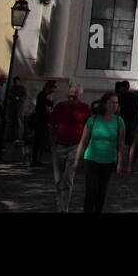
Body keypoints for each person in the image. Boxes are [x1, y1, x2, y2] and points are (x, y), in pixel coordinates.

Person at [74, 91, 125, 213]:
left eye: (116, 103)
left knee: (102, 191)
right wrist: (77, 160)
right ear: (104, 104)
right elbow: (83, 141)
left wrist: (119, 162)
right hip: (91, 159)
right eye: (111, 102)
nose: (114, 105)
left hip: (108, 160)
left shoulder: (119, 121)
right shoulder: (93, 119)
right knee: (91, 190)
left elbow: (121, 144)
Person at [49, 83, 91, 212]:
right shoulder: (61, 106)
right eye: (70, 96)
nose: (72, 99)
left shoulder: (85, 108)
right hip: (59, 146)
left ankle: (64, 208)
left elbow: (87, 129)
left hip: (74, 147)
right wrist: (52, 143)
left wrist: (83, 147)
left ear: (80, 96)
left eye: (75, 96)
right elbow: (51, 124)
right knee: (58, 179)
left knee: (67, 179)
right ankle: (59, 205)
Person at [31, 80, 56, 167]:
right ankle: (37, 160)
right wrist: (54, 111)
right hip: (43, 120)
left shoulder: (40, 94)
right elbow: (48, 110)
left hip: (38, 119)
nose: (55, 89)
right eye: (54, 87)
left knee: (37, 140)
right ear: (50, 87)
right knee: (41, 140)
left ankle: (35, 159)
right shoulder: (48, 96)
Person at [117, 81, 138, 150]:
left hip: (123, 121)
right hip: (133, 121)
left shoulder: (121, 96)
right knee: (131, 143)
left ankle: (120, 157)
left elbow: (118, 110)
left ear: (123, 87)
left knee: (121, 140)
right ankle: (130, 158)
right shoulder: (135, 96)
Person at [4, 77, 27, 144]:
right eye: (15, 82)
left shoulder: (22, 88)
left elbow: (24, 96)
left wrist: (19, 98)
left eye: (17, 82)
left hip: (19, 108)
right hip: (12, 108)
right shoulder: (12, 88)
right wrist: (14, 97)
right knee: (12, 122)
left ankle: (18, 137)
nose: (16, 84)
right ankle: (11, 137)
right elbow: (10, 95)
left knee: (18, 122)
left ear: (19, 82)